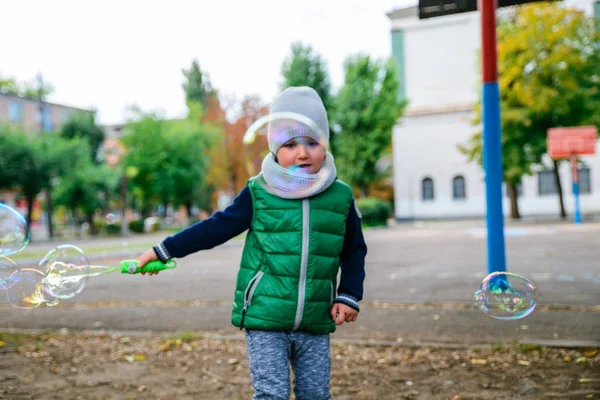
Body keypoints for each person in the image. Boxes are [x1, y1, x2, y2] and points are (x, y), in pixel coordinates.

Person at [138, 86, 367, 400]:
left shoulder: (340, 196)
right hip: (265, 317)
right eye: (290, 144)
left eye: (312, 142)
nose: (302, 153)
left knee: (315, 395)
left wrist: (349, 295)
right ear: (274, 148)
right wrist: (164, 250)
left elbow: (354, 250)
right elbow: (216, 228)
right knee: (271, 395)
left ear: (324, 145)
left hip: (316, 319)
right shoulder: (259, 192)